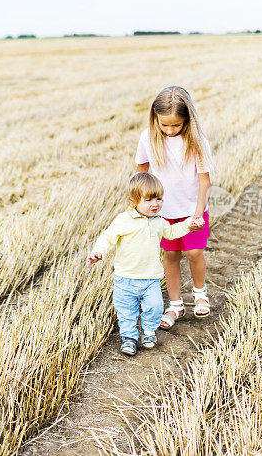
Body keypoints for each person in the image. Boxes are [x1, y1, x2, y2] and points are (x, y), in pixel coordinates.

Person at [86, 173, 202, 355]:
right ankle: (129, 338)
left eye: (159, 198)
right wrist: (98, 251)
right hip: (125, 279)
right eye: (148, 200)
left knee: (155, 307)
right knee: (126, 312)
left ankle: (148, 332)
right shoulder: (123, 220)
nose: (155, 204)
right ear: (134, 200)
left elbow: (171, 232)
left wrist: (188, 225)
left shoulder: (159, 221)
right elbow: (107, 238)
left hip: (151, 279)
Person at [135, 86, 215, 329]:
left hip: (192, 209)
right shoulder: (148, 137)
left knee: (193, 253)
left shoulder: (197, 140)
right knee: (170, 255)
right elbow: (141, 174)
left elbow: (205, 181)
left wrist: (198, 212)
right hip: (163, 212)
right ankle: (176, 306)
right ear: (155, 118)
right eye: (164, 125)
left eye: (176, 125)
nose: (170, 130)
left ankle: (200, 294)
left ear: (187, 120)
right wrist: (140, 207)